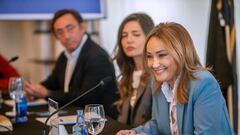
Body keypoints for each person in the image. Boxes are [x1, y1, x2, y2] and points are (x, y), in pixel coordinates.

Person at [116, 22, 234, 135]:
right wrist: (136, 132)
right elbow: (158, 126)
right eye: (149, 56)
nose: (154, 64)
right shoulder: (158, 82)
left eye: (162, 55)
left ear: (181, 53)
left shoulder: (203, 84)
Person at [25, 9, 119, 119]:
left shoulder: (97, 57)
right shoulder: (64, 56)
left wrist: (47, 94)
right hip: (73, 116)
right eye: (60, 32)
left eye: (70, 29)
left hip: (100, 121)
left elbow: (85, 98)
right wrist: (34, 89)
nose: (66, 36)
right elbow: (52, 83)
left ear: (83, 27)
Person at [113, 13, 154, 127]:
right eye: (124, 35)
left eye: (136, 34)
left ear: (149, 37)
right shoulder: (128, 75)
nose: (129, 40)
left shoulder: (157, 75)